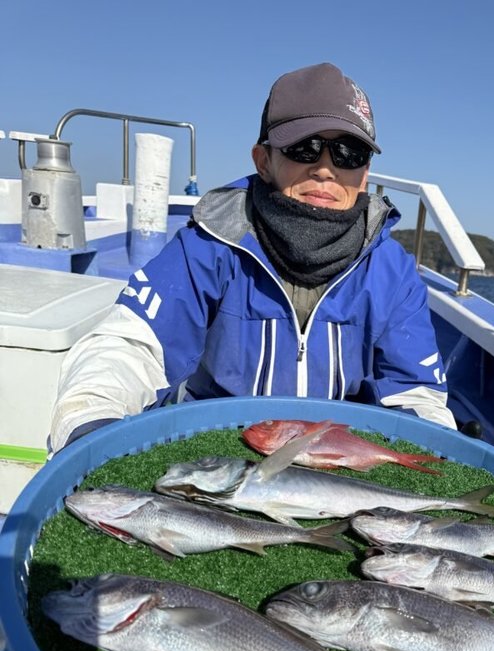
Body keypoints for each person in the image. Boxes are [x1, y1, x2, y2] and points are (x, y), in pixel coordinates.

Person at [49, 62, 456, 452]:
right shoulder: (208, 247)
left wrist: (429, 461)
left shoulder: (392, 271)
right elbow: (131, 346)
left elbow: (415, 392)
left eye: (348, 152)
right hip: (212, 451)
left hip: (333, 456)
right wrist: (91, 419)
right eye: (305, 147)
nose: (326, 169)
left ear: (364, 173)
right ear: (264, 161)